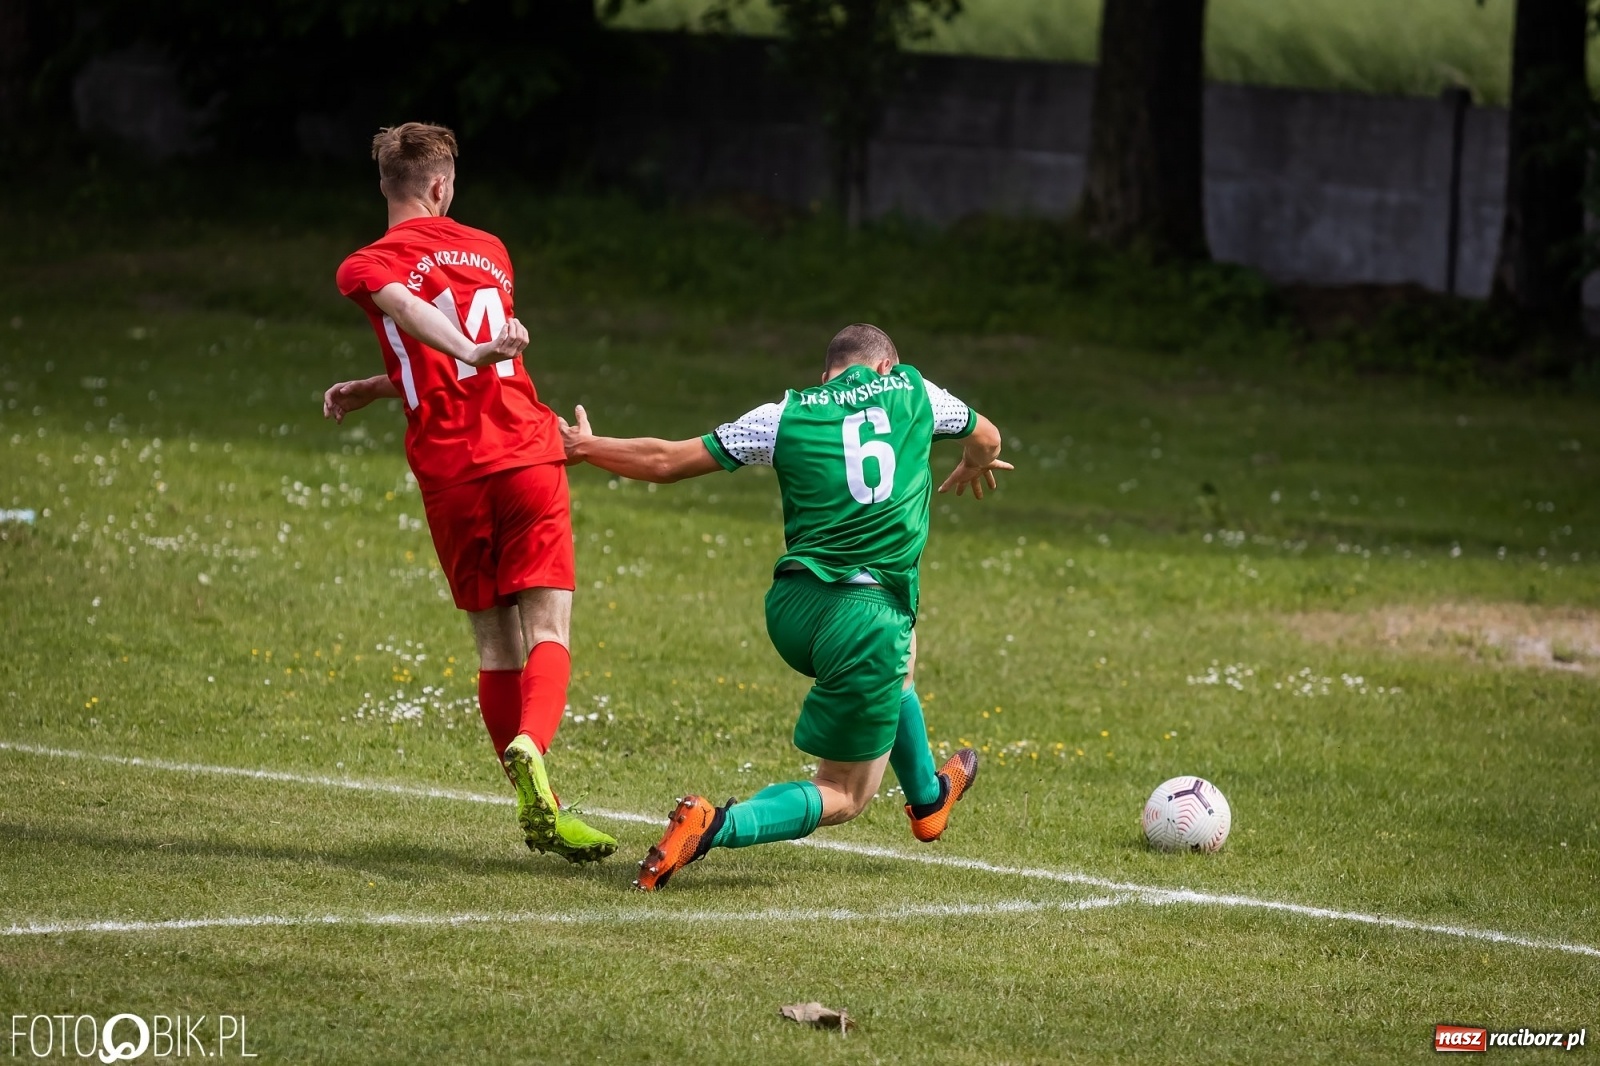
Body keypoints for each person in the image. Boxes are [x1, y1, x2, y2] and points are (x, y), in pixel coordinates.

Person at [560, 323, 1011, 890]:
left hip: (794, 610)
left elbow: (666, 461)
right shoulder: (915, 390)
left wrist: (584, 447)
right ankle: (712, 824)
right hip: (863, 617)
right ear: (887, 366)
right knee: (846, 793)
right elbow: (988, 438)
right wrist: (973, 462)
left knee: (901, 643)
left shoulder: (784, 415)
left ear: (826, 375)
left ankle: (928, 800)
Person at [322, 122, 614, 864]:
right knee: (548, 630)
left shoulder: (361, 266)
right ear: (443, 186)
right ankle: (532, 744)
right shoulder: (489, 250)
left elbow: (412, 317)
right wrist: (474, 352)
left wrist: (379, 385)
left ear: (387, 184)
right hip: (523, 453)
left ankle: (535, 797)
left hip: (451, 472)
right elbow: (447, 331)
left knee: (494, 643)